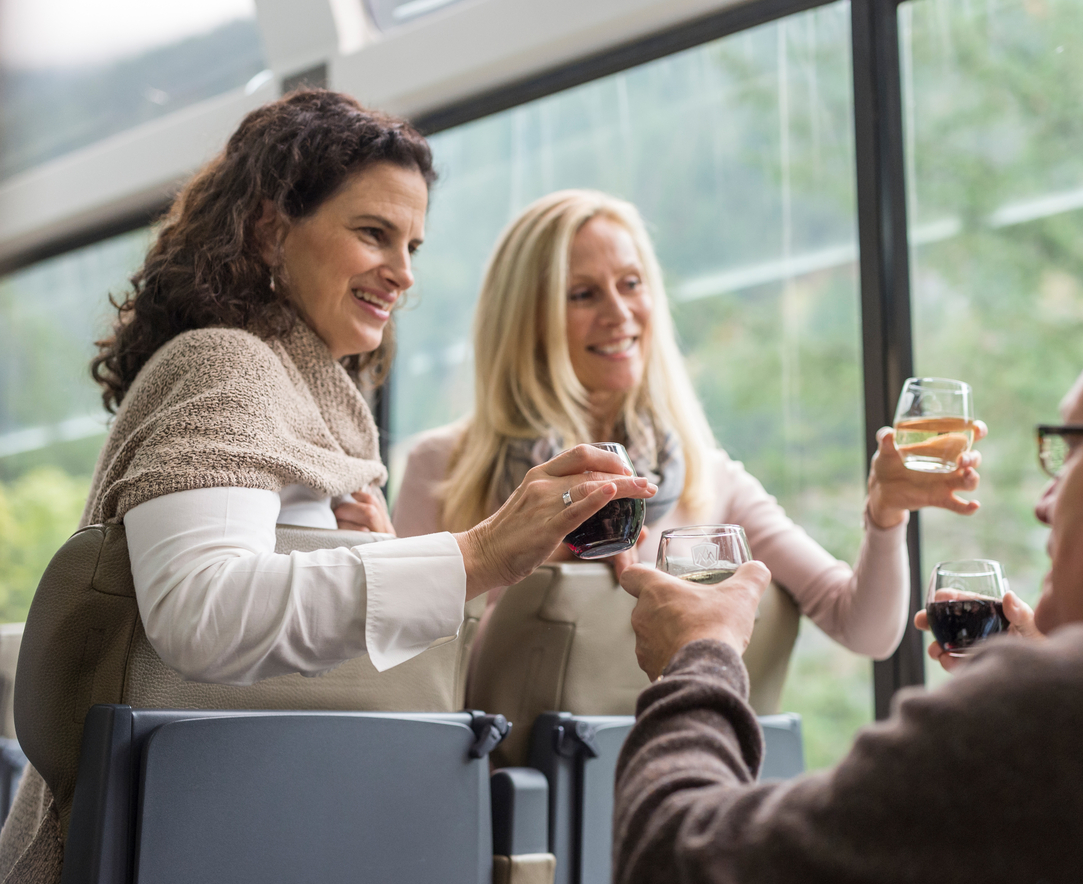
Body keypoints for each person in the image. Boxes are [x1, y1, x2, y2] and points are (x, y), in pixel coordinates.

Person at [0, 91, 655, 881]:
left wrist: (382, 557)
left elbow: (294, 654)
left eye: (412, 245)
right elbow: (203, 613)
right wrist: (479, 554)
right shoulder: (227, 366)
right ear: (269, 228)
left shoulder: (308, 403)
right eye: (374, 233)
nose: (403, 273)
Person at [612, 281, 1083, 883]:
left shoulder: (1079, 707)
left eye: (1072, 451)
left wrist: (698, 655)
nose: (1044, 503)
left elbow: (673, 860)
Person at [393, 189, 985, 659]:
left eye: (631, 284)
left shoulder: (708, 477)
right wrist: (547, 562)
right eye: (582, 294)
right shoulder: (443, 468)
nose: (619, 313)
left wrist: (886, 513)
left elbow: (865, 630)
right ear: (527, 317)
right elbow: (408, 674)